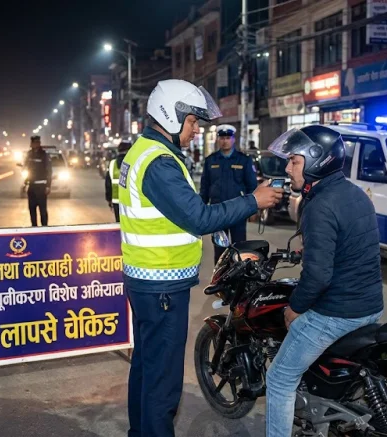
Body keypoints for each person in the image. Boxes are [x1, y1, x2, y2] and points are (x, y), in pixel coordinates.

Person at [120, 79, 283, 437]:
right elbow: (199, 217)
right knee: (163, 381)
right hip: (160, 284)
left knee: (147, 368)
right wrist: (252, 201)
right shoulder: (159, 162)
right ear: (171, 114)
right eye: (193, 122)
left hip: (148, 280)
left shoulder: (145, 151)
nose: (197, 130)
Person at [264, 125, 384, 437]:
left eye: (294, 161)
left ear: (317, 161)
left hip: (338, 313)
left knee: (278, 378)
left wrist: (295, 307)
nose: (288, 168)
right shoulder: (354, 193)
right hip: (370, 306)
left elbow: (317, 277)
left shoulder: (319, 205)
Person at [199, 124, 258, 263]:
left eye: (228, 137)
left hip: (239, 210)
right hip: (217, 211)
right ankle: (219, 280)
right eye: (222, 138)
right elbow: (205, 187)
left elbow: (252, 186)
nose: (225, 141)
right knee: (220, 250)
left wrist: (254, 208)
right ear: (218, 139)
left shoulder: (243, 160)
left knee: (240, 248)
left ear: (233, 139)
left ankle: (239, 280)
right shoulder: (211, 160)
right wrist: (201, 208)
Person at [24, 135, 52, 226]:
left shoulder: (44, 155)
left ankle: (44, 229)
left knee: (42, 210)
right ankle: (34, 229)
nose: (32, 145)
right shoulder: (29, 154)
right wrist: (26, 182)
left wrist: (48, 185)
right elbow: (26, 168)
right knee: (32, 209)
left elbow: (49, 171)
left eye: (35, 143)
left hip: (41, 186)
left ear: (38, 143)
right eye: (32, 143)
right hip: (31, 186)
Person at [105, 141, 132, 222]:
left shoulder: (112, 164)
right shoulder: (133, 162)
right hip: (132, 202)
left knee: (119, 225)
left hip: (117, 202)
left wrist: (109, 200)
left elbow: (108, 184)